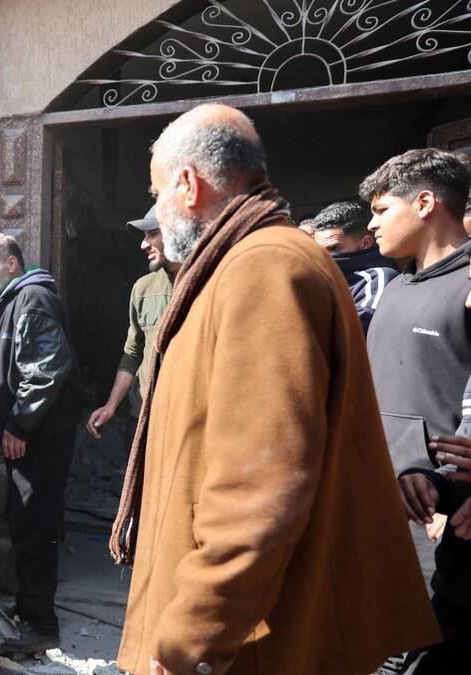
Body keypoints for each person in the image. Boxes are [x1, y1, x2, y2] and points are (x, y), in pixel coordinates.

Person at [109, 103, 438, 675]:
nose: (156, 209)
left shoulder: (263, 270)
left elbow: (260, 485)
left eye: (157, 190)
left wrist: (190, 632)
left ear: (187, 184)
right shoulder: (245, 264)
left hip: (259, 642)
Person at [360, 148, 471, 674]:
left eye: (382, 209)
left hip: (446, 518)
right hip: (382, 505)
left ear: (425, 202)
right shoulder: (397, 288)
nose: (372, 224)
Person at [0, 233, 81, 652]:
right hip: (32, 436)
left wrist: (18, 425)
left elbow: (48, 369)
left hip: (40, 439)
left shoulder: (32, 300)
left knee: (35, 525)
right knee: (24, 522)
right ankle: (30, 609)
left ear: (11, 264)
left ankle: (41, 624)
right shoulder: (13, 304)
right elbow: (4, 356)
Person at [86, 206, 177, 439]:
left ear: (178, 231)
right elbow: (133, 353)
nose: (143, 245)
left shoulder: (209, 283)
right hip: (145, 417)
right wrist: (111, 406)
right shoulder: (143, 288)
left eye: (152, 234)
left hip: (187, 420)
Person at [310, 199, 399, 333]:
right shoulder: (320, 278)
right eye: (319, 250)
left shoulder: (379, 277)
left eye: (335, 248)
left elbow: (357, 326)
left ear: (365, 243)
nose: (325, 257)